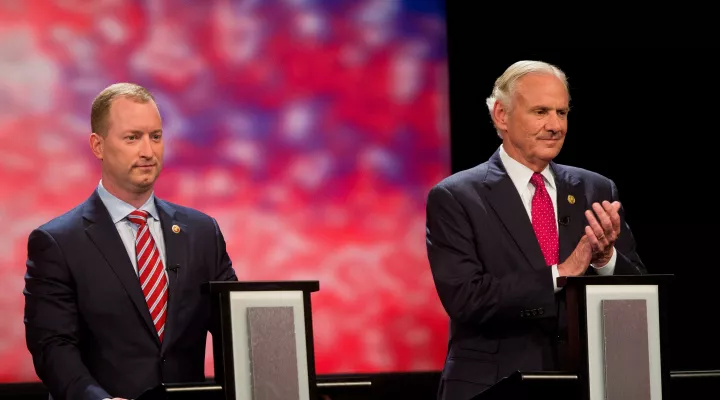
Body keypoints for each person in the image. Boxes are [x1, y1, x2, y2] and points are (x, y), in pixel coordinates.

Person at [425, 60, 646, 400]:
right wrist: (561, 273)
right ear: (501, 115)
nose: (555, 125)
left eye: (562, 112)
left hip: (585, 384)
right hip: (494, 385)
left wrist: (605, 260)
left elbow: (640, 296)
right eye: (541, 111)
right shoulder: (456, 197)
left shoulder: (595, 190)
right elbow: (466, 299)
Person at [23, 83, 238, 400]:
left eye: (155, 136)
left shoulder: (203, 233)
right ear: (98, 145)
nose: (148, 151)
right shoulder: (57, 243)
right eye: (132, 138)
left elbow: (235, 333)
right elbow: (53, 349)